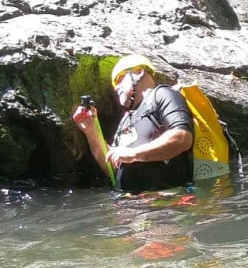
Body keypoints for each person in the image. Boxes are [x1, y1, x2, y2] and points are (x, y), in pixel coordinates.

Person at [73, 54, 195, 193]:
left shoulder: (162, 94)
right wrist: (91, 130)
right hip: (133, 206)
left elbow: (182, 138)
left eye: (119, 79)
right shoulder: (126, 120)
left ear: (138, 72)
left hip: (167, 202)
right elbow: (111, 168)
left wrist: (133, 154)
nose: (115, 87)